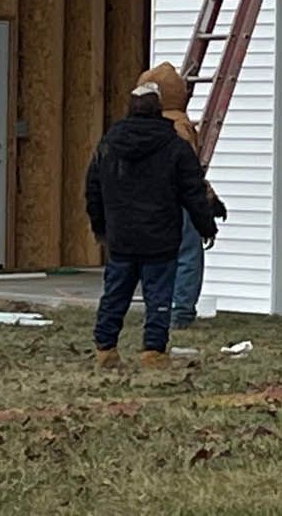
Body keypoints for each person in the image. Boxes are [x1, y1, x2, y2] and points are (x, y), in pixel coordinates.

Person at [85, 81, 217, 369]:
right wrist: (206, 226)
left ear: (130, 108)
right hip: (160, 238)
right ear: (159, 110)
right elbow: (193, 192)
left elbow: (93, 188)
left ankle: (105, 349)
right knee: (158, 297)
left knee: (115, 294)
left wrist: (100, 228)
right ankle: (153, 353)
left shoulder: (109, 144)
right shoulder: (174, 147)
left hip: (122, 237)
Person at [137, 61, 228, 331]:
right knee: (188, 254)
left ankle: (158, 308)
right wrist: (208, 201)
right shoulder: (180, 127)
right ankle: (181, 311)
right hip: (179, 201)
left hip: (151, 202)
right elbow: (189, 173)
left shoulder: (141, 126)